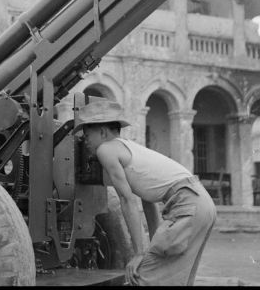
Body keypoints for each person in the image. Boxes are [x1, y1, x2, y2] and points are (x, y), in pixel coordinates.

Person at [74, 97, 216, 286]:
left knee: (140, 280)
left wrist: (139, 254)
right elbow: (148, 200)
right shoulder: (130, 148)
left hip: (187, 204)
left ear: (102, 131)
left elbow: (127, 200)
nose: (84, 141)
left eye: (87, 134)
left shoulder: (106, 150)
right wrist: (149, 246)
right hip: (202, 204)